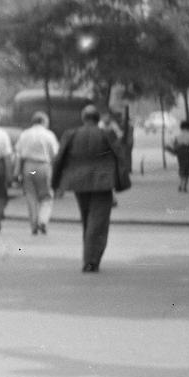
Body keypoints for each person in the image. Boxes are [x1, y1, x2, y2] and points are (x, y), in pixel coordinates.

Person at [50, 104, 124, 273]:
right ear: (98, 119)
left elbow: (59, 158)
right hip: (102, 183)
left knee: (87, 219)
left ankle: (89, 257)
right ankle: (91, 260)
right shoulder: (106, 134)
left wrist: (56, 183)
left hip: (79, 183)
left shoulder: (72, 134)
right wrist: (120, 183)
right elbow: (119, 157)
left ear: (83, 118)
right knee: (98, 222)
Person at [14, 111, 60, 236]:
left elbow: (18, 154)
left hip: (29, 167)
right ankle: (42, 220)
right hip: (43, 166)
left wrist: (16, 172)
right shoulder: (49, 135)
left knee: (31, 196)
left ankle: (33, 225)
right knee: (46, 196)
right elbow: (55, 154)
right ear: (44, 122)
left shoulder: (25, 134)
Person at [168, 119, 189, 193]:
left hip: (181, 152)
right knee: (188, 168)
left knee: (182, 167)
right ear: (188, 127)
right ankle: (185, 186)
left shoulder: (178, 135)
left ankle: (181, 184)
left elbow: (173, 143)